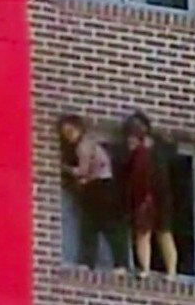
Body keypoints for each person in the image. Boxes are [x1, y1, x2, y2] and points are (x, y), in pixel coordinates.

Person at [58, 114, 127, 275]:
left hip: (100, 186)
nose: (68, 136)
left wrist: (65, 168)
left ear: (78, 129)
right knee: (92, 225)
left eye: (70, 131)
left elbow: (83, 170)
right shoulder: (89, 143)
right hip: (98, 185)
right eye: (65, 134)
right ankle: (100, 263)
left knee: (101, 225)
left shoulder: (84, 146)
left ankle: (112, 263)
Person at [121, 110, 178, 280]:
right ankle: (145, 269)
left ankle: (171, 272)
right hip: (142, 195)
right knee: (143, 233)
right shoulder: (133, 153)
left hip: (160, 195)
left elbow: (172, 154)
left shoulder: (158, 146)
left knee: (164, 232)